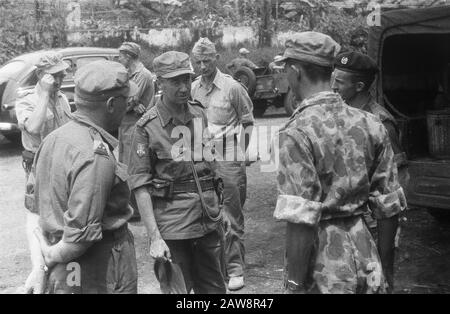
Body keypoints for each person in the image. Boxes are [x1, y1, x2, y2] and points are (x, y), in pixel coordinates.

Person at [273, 31, 406, 294]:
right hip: (366, 254)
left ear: (296, 71)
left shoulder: (297, 131)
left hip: (322, 265)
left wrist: (294, 285)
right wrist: (385, 270)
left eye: (286, 68)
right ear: (331, 73)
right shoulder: (370, 123)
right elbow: (389, 207)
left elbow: (301, 219)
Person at [23, 60, 138, 294]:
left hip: (65, 266)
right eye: (126, 99)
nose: (129, 105)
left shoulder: (52, 140)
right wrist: (49, 257)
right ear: (110, 104)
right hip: (98, 265)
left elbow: (34, 212)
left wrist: (40, 265)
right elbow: (80, 240)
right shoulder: (95, 155)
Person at [127, 51, 227, 294]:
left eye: (186, 79)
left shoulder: (198, 113)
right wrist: (154, 237)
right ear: (159, 83)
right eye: (175, 81)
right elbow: (140, 186)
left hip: (207, 221)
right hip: (173, 227)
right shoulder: (146, 128)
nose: (183, 87)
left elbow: (211, 166)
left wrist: (221, 212)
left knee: (215, 291)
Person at [191, 37, 255, 291]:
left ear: (217, 58)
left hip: (228, 151)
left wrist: (240, 154)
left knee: (231, 211)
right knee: (207, 211)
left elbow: (248, 121)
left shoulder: (232, 87)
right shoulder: (193, 88)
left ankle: (235, 269)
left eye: (207, 60)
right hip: (201, 154)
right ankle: (216, 267)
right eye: (198, 61)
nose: (203, 65)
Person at [332, 51, 409, 190]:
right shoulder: (339, 112)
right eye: (333, 80)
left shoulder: (380, 121)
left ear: (359, 86)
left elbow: (400, 175)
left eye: (339, 82)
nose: (333, 86)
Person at [15, 52, 71, 182]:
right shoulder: (26, 100)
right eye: (53, 76)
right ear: (39, 74)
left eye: (61, 76)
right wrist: (45, 92)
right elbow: (33, 128)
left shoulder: (62, 98)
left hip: (63, 162)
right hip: (40, 165)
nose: (58, 81)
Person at [117, 42, 155, 166]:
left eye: (120, 56)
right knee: (123, 163)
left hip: (136, 127)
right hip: (125, 126)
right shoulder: (127, 73)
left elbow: (126, 104)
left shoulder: (143, 75)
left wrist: (132, 102)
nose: (119, 59)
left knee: (133, 164)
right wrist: (133, 102)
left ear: (128, 57)